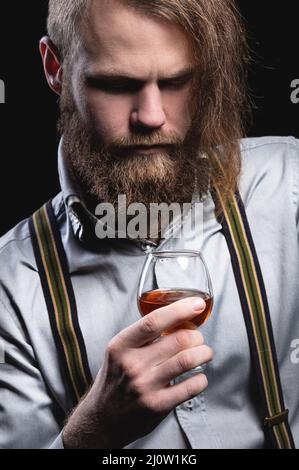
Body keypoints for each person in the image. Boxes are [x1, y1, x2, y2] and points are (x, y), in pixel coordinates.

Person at [0, 0, 298, 450]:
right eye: (117, 84)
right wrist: (90, 432)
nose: (151, 116)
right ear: (55, 67)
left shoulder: (289, 185)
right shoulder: (9, 285)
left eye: (177, 81)